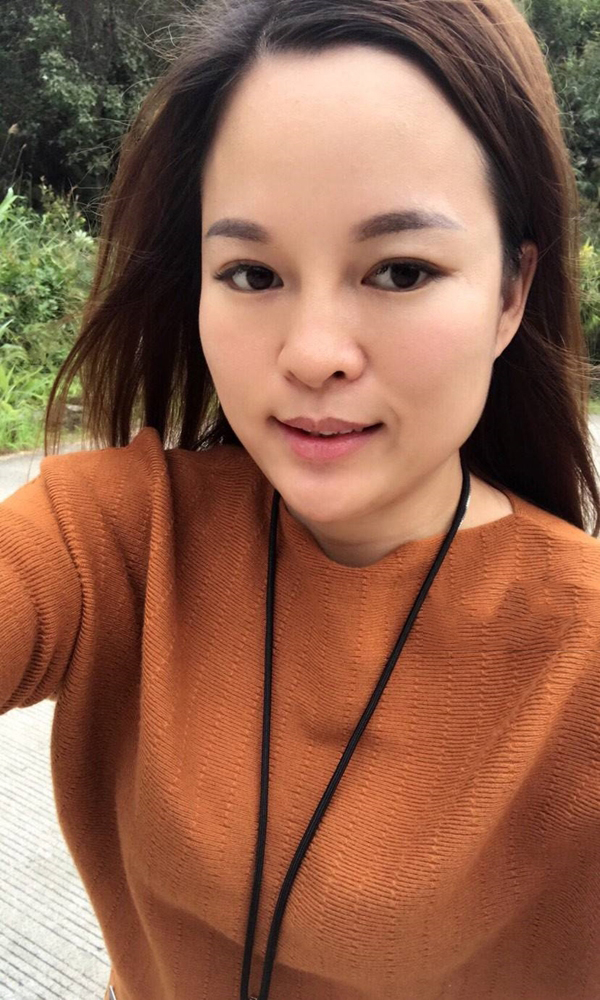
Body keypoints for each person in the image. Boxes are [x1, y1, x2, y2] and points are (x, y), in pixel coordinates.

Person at [1, 0, 599, 998]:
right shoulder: (113, 540)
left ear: (510, 291)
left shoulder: (580, 649)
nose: (315, 354)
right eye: (252, 273)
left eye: (400, 270)